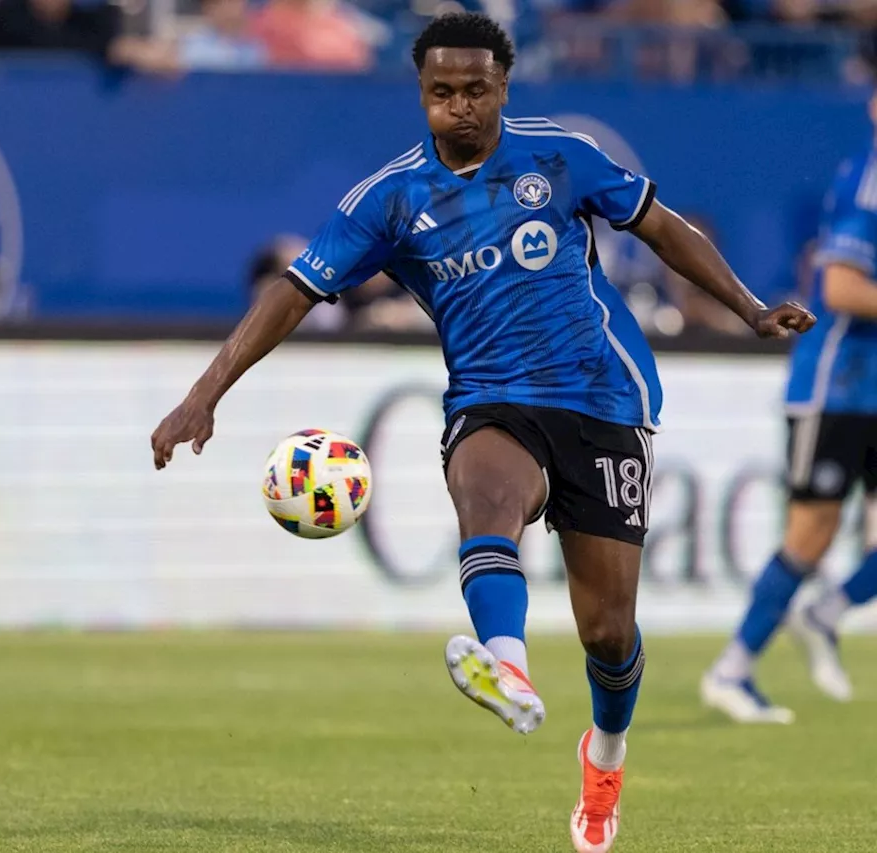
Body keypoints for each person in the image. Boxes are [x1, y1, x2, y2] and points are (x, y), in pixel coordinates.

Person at [149, 12, 814, 853]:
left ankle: (604, 756)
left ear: (504, 88)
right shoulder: (390, 200)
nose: (458, 107)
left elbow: (661, 226)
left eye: (475, 90)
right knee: (486, 491)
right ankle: (507, 662)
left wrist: (751, 310)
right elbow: (294, 288)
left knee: (608, 631)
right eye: (441, 92)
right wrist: (204, 393)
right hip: (491, 395)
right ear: (420, 95)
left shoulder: (559, 156)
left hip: (603, 397)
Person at [702, 90, 877, 725]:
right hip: (840, 384)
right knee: (811, 534)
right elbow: (842, 285)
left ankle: (826, 614)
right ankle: (732, 669)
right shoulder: (871, 180)